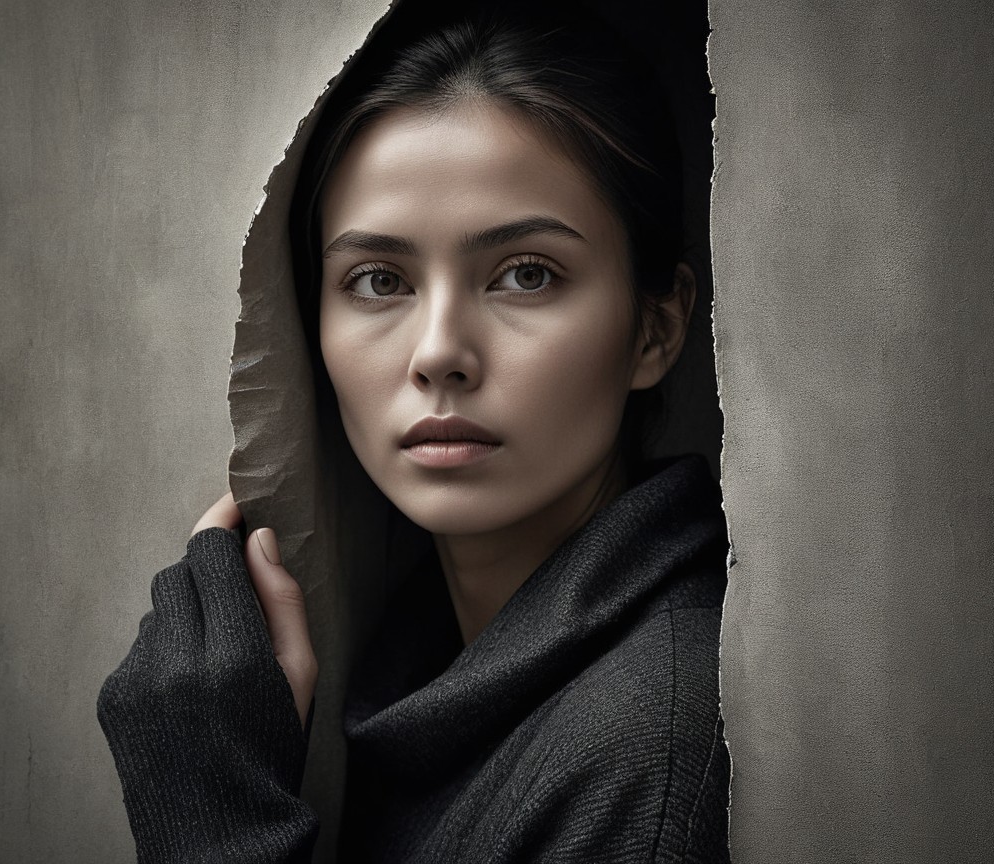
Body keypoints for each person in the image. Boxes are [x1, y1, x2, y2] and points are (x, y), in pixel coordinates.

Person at [97, 1, 730, 861]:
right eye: (378, 281)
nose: (439, 355)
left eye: (526, 274)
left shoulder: (644, 761)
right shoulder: (413, 663)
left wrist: (213, 820)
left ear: (654, 330)